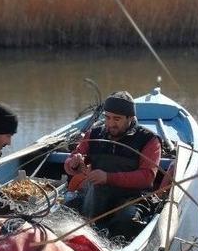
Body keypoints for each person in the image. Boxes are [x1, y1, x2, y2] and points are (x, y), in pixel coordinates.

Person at [63, 91, 161, 240]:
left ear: (130, 118)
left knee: (126, 222)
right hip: (97, 193)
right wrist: (73, 163)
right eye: (107, 117)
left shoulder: (149, 140)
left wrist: (108, 177)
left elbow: (147, 177)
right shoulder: (94, 134)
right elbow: (72, 161)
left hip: (133, 197)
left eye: (117, 119)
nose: (110, 124)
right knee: (65, 212)